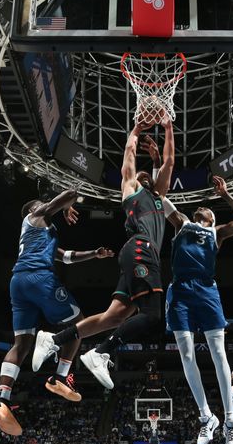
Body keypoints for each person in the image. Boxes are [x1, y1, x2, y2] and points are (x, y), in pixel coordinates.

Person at [37, 117, 176, 389]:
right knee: (153, 315)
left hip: (137, 254)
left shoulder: (158, 196)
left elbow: (168, 165)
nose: (144, 175)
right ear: (135, 182)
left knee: (113, 317)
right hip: (141, 249)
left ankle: (52, 340)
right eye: (141, 175)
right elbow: (130, 159)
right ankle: (101, 352)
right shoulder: (131, 192)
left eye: (149, 175)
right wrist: (137, 131)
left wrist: (164, 143)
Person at [0, 186, 114, 436]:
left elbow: (67, 257)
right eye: (40, 204)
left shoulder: (41, 235)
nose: (43, 205)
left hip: (19, 283)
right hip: (38, 279)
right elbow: (69, 194)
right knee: (78, 322)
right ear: (32, 210)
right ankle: (60, 376)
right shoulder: (34, 217)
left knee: (21, 343)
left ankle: (1, 400)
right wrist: (67, 205)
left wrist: (94, 254)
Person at [160, 175, 233, 444]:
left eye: (207, 208)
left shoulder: (218, 232)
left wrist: (225, 195)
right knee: (186, 354)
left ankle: (229, 421)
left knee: (219, 353)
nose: (202, 207)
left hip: (206, 290)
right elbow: (161, 198)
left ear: (212, 218)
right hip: (179, 291)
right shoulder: (182, 223)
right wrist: (153, 173)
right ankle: (206, 417)